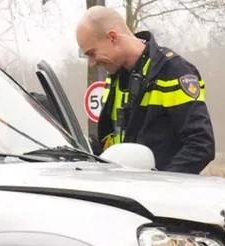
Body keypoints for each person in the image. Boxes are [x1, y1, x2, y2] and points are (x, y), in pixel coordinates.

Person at [75, 8, 215, 174]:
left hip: (160, 195)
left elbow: (200, 145)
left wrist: (161, 184)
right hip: (123, 190)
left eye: (92, 53)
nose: (91, 63)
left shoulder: (174, 72)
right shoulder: (114, 77)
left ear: (112, 37)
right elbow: (113, 142)